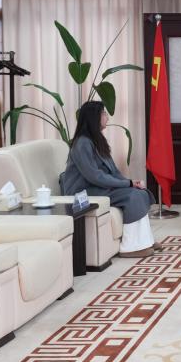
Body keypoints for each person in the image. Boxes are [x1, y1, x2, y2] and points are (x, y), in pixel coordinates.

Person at [59, 100, 155, 257]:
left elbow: (113, 171)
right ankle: (130, 247)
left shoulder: (97, 140)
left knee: (139, 193)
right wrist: (127, 184)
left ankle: (145, 240)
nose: (107, 117)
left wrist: (131, 183)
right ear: (94, 117)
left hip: (97, 188)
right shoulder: (82, 143)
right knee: (132, 196)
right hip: (84, 193)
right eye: (104, 113)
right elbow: (94, 176)